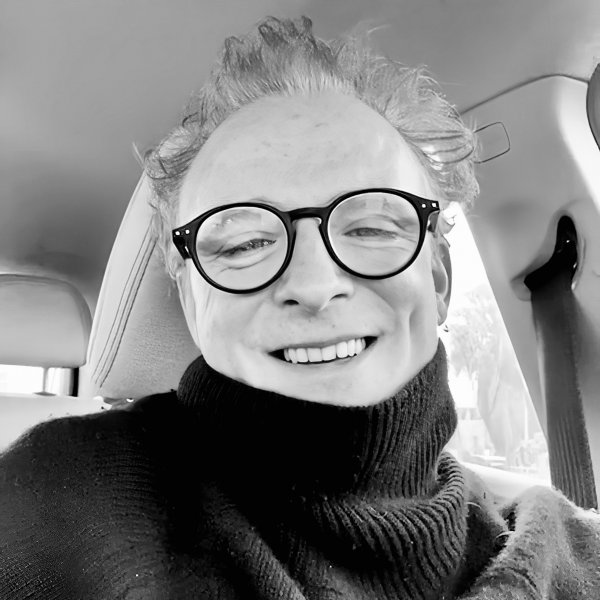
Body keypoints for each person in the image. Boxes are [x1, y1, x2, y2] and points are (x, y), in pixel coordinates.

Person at [1, 15, 599, 600]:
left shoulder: (573, 551)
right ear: (189, 299)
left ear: (438, 277)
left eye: (370, 228)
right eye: (245, 244)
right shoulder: (47, 501)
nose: (314, 284)